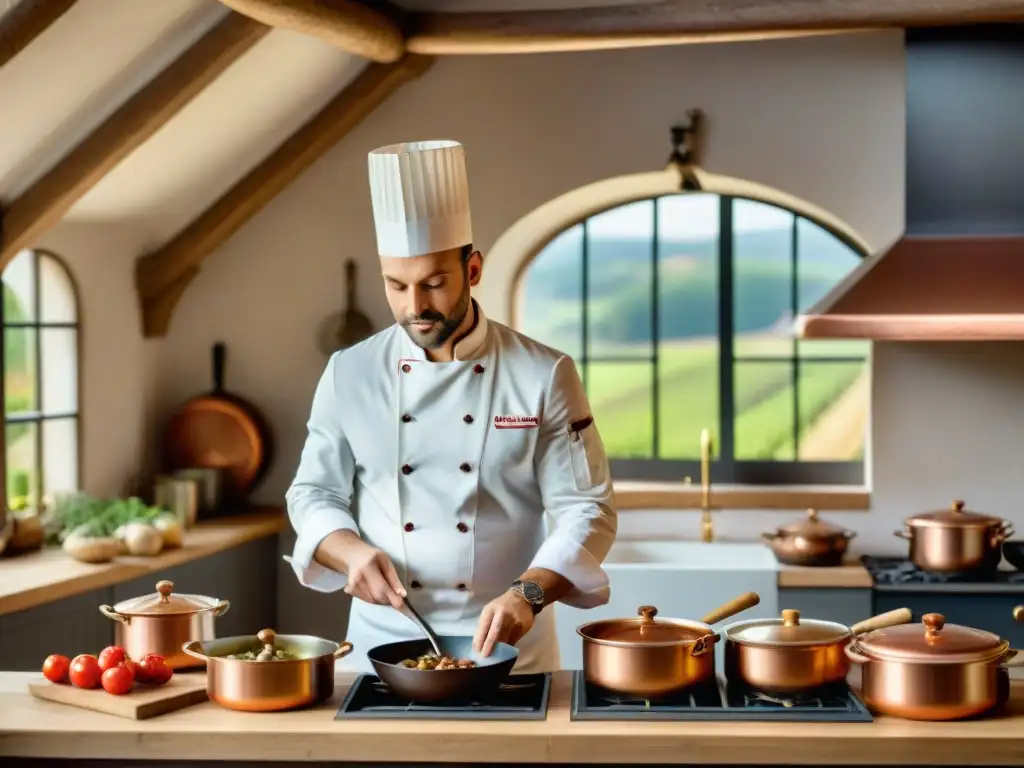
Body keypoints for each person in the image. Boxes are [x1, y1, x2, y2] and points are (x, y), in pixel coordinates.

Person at [284, 139, 617, 674]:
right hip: (379, 648)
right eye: (397, 286)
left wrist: (528, 594)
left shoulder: (543, 372)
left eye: (434, 284)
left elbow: (588, 508)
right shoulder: (350, 371)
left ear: (475, 269)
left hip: (511, 648)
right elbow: (312, 493)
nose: (414, 306)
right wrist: (348, 550)